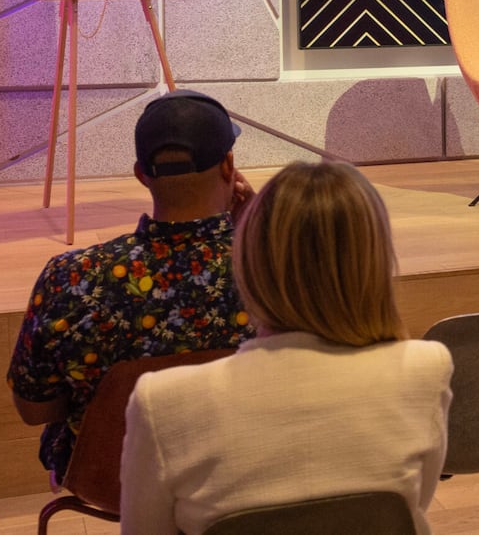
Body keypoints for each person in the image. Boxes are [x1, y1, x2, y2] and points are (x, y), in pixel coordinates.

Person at [119, 161, 453, 535]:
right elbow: (408, 508)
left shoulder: (163, 403)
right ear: (375, 261)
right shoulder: (426, 369)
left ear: (248, 261)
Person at [6, 90, 255, 481]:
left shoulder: (71, 277)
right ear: (228, 166)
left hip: (114, 482)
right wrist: (253, 228)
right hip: (243, 471)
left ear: (141, 174)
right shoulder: (271, 271)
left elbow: (34, 409)